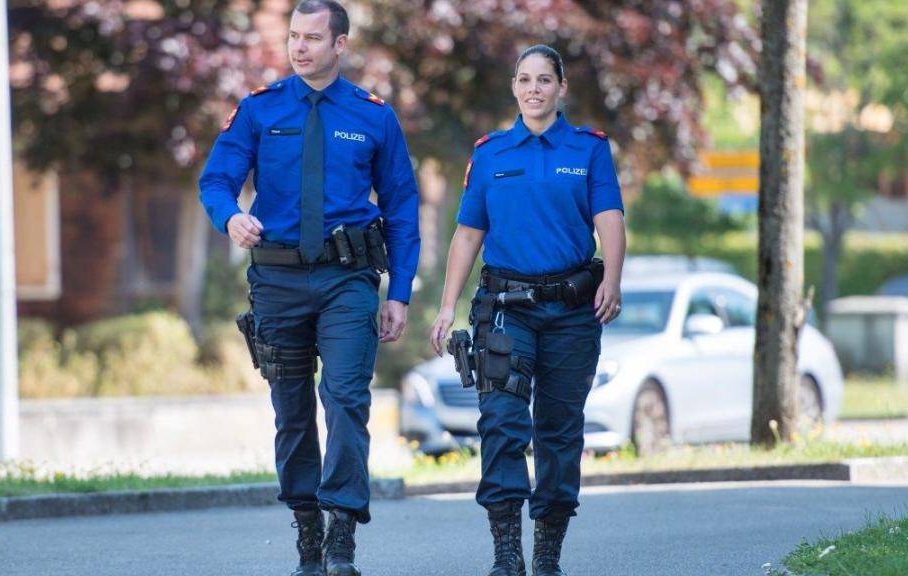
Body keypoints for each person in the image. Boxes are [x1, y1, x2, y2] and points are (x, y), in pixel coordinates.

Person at [198, 1, 419, 574]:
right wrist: (229, 216)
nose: (300, 48)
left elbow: (401, 205)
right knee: (291, 411)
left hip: (348, 280)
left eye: (313, 38)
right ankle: (307, 534)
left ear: (340, 45)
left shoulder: (374, 116)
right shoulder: (258, 110)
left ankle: (341, 535)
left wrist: (399, 293)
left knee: (346, 401)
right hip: (277, 281)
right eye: (294, 36)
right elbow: (217, 179)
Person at [429, 44, 625, 576]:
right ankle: (507, 554)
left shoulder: (589, 150)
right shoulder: (491, 152)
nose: (533, 89)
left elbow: (609, 220)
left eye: (544, 80)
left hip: (571, 309)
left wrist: (612, 277)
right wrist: (447, 307)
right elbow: (469, 233)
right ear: (514, 88)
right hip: (504, 308)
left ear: (561, 88)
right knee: (501, 424)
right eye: (524, 79)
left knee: (559, 432)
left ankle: (546, 557)